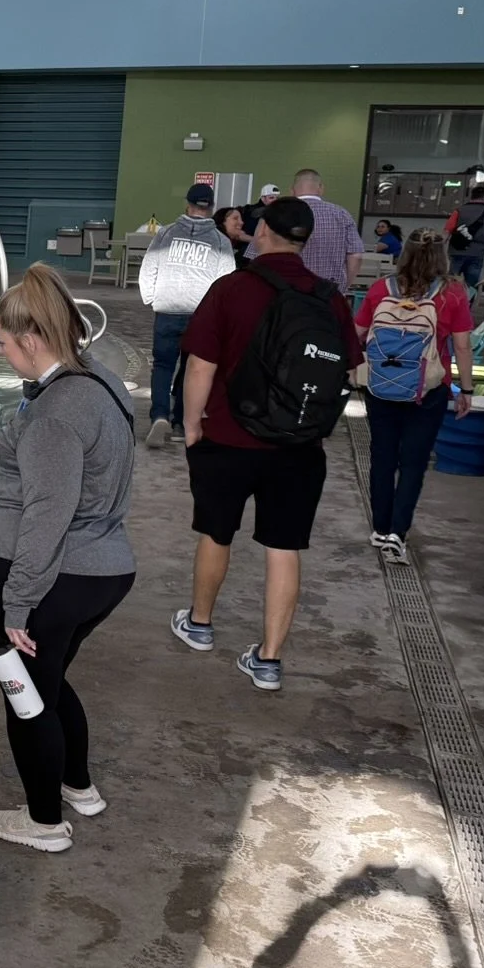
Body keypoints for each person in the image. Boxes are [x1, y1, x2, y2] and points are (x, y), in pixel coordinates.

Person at [0, 264, 136, 853]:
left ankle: (43, 822)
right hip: (106, 568)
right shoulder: (100, 381)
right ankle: (78, 786)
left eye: (3, 342)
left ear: (32, 339)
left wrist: (16, 602)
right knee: (50, 681)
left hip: (51, 577)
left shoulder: (54, 415)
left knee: (27, 700)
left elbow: (48, 511)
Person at [172, 198, 363, 693]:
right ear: (305, 241)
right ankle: (269, 660)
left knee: (216, 533)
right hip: (299, 446)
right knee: (284, 547)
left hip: (228, 437)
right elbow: (349, 370)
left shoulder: (232, 288)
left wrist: (191, 424)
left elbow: (200, 366)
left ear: (261, 234)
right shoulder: (329, 298)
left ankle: (199, 624)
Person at [355, 230, 473, 564]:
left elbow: (357, 333)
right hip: (429, 390)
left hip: (382, 387)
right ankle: (398, 532)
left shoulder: (382, 289)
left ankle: (380, 528)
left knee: (382, 457)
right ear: (442, 256)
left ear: (404, 253)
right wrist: (466, 389)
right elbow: (462, 346)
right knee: (414, 463)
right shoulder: (452, 294)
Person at [136, 183, 236, 449]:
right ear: (211, 208)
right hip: (200, 315)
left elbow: (149, 266)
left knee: (163, 365)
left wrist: (151, 298)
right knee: (191, 369)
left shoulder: (166, 233)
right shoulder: (221, 242)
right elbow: (226, 283)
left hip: (167, 309)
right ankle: (180, 422)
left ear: (187, 204)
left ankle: (159, 415)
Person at [285, 169, 365, 290]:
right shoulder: (341, 214)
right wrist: (344, 286)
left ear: (292, 190)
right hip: (330, 290)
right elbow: (356, 255)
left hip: (289, 290)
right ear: (321, 188)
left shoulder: (281, 214)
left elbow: (259, 254)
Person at [445, 182, 484, 290]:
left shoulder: (459, 211)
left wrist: (441, 248)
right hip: (477, 253)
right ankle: (468, 300)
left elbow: (447, 231)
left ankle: (452, 298)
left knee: (451, 282)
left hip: (457, 251)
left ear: (471, 196)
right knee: (471, 285)